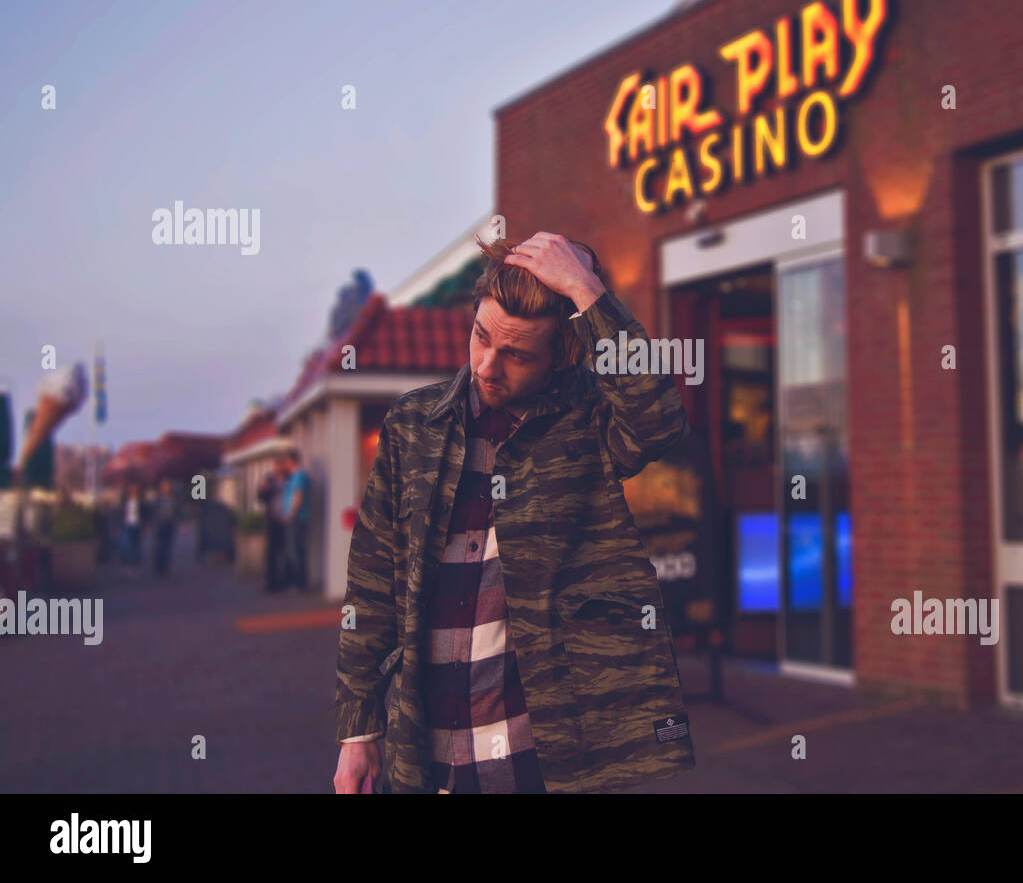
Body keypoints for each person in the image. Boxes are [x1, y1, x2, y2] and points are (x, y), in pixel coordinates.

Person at [333, 232, 696, 795]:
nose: (486, 365)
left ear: (562, 356)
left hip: (543, 759)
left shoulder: (589, 422)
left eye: (517, 354)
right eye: (480, 337)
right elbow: (372, 583)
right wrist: (357, 731)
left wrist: (585, 289)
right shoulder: (413, 425)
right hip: (424, 757)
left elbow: (659, 419)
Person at [278, 449, 310, 591]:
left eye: (286, 462)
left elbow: (298, 495)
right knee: (294, 549)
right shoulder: (294, 477)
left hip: (296, 518)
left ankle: (299, 583)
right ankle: (296, 582)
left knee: (295, 550)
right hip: (294, 517)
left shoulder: (299, 476)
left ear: (291, 461)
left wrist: (291, 514)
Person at [257, 466, 286, 592]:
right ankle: (271, 582)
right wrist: (263, 487)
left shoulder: (289, 480)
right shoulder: (271, 482)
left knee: (284, 552)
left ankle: (283, 580)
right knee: (271, 553)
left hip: (285, 521)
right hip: (272, 521)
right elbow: (261, 497)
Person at [151, 478, 177, 575]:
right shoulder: (157, 499)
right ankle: (158, 567)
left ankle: (165, 567)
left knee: (167, 546)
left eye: (168, 486)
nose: (166, 488)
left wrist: (179, 522)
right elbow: (153, 512)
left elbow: (176, 511)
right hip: (160, 524)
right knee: (159, 546)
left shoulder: (173, 498)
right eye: (165, 486)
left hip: (169, 524)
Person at [120, 483, 143, 567]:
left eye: (135, 490)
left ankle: (135, 564)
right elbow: (120, 512)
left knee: (136, 545)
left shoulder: (140, 501)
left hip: (137, 525)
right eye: (131, 489)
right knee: (126, 545)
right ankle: (127, 563)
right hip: (127, 525)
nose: (133, 491)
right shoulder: (125, 501)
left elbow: (144, 513)